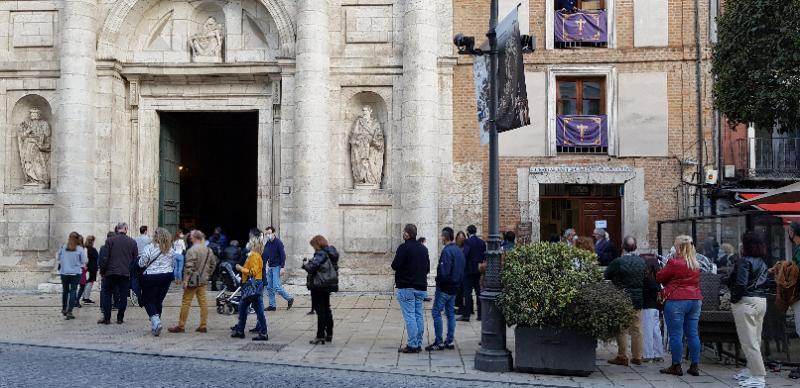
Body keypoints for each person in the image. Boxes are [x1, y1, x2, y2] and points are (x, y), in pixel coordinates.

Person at [656, 235, 702, 377]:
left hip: (677, 299)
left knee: (676, 334)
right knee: (693, 334)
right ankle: (694, 366)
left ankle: (676, 366)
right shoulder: (695, 263)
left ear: (679, 247)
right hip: (695, 299)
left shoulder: (674, 262)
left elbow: (659, 277)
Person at [728, 232, 769, 388]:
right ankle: (751, 370)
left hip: (745, 302)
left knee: (748, 342)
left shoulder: (744, 261)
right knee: (755, 339)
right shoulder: (762, 262)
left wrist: (733, 299)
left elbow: (740, 284)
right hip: (761, 301)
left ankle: (758, 376)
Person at [605, 236, 646, 366]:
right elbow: (645, 277)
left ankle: (622, 356)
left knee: (622, 327)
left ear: (622, 247)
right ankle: (637, 356)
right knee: (637, 328)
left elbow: (607, 274)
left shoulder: (619, 261)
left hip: (622, 296)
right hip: (637, 298)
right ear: (636, 247)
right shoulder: (641, 261)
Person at [169, 230, 217, 333]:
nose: (190, 238)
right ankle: (203, 325)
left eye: (191, 237)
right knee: (203, 303)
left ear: (195, 238)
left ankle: (181, 326)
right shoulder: (209, 250)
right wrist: (208, 274)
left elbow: (189, 267)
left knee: (186, 302)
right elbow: (213, 264)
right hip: (203, 281)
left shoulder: (192, 250)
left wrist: (185, 280)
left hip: (192, 281)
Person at [425, 227, 465, 351]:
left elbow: (444, 272)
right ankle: (450, 340)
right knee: (450, 314)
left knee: (436, 313)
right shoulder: (458, 251)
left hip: (444, 288)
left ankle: (439, 341)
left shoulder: (447, 252)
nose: (440, 238)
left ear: (444, 237)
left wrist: (439, 282)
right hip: (454, 288)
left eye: (441, 236)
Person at [391, 224, 429, 353]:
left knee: (410, 316)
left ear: (407, 234)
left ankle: (412, 344)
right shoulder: (423, 249)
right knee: (418, 315)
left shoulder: (403, 248)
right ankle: (418, 343)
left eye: (404, 232)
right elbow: (427, 269)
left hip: (406, 287)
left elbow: (395, 265)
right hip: (421, 287)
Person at [138, 228, 176, 336]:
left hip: (151, 277)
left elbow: (142, 263)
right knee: (158, 300)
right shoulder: (171, 250)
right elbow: (173, 264)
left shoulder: (149, 247)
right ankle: (156, 323)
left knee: (147, 300)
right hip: (166, 277)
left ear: (156, 237)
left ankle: (156, 321)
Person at [98, 222, 138, 325]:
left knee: (107, 294)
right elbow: (135, 260)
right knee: (123, 295)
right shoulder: (132, 242)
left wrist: (103, 271)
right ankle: (120, 318)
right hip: (125, 273)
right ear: (126, 229)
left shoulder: (110, 240)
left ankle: (107, 318)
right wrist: (132, 273)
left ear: (117, 229)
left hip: (110, 272)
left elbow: (105, 258)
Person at [303, 235, 340, 345]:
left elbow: (312, 267)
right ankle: (329, 334)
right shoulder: (330, 253)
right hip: (327, 284)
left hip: (319, 285)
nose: (313, 248)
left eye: (313, 246)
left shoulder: (321, 253)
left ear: (317, 244)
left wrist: (305, 265)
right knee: (327, 309)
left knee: (321, 311)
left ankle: (320, 336)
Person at [231, 235, 269, 341]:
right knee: (253, 309)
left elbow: (253, 272)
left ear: (254, 245)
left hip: (252, 285)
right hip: (255, 285)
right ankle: (260, 332)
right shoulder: (256, 255)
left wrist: (241, 268)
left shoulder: (254, 256)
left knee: (243, 307)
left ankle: (242, 331)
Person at [263, 226, 294, 311]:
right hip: (270, 267)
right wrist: (263, 265)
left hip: (277, 266)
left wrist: (282, 267)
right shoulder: (267, 243)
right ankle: (272, 305)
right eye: (267, 234)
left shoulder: (278, 243)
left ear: (273, 233)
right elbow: (265, 255)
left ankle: (289, 298)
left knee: (277, 286)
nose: (268, 235)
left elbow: (283, 255)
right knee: (269, 287)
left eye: (269, 233)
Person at [58, 232, 87, 320]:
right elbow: (84, 261)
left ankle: (64, 308)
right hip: (75, 273)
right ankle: (70, 311)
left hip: (64, 272)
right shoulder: (80, 249)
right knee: (73, 291)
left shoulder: (63, 247)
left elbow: (58, 257)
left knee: (65, 291)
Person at [641, 255, 665, 363]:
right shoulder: (657, 280)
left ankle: (648, 354)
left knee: (647, 331)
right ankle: (658, 353)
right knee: (656, 331)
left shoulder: (647, 279)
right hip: (655, 308)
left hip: (647, 307)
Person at [460, 225, 485, 322]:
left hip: (468, 271)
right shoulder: (482, 242)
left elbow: (465, 254)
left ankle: (467, 315)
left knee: (467, 293)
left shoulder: (467, 241)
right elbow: (484, 256)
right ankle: (480, 315)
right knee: (479, 292)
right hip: (478, 270)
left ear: (468, 232)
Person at [80, 235, 99, 305]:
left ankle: (85, 296)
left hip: (88, 268)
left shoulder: (85, 249)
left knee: (87, 282)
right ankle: (86, 298)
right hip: (91, 268)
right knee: (89, 282)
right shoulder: (91, 249)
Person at [454, 231, 467, 314]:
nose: (461, 239)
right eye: (459, 237)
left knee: (463, 292)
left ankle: (463, 308)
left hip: (464, 272)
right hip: (456, 272)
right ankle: (457, 308)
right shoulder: (454, 248)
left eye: (462, 238)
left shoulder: (466, 248)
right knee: (457, 292)